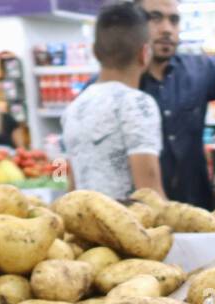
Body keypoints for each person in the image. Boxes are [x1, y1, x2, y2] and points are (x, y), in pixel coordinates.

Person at [137, 0, 215, 209]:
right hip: (137, 217)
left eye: (174, 20)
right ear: (133, 23)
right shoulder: (115, 85)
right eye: (155, 18)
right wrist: (59, 187)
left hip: (196, 207)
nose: (167, 29)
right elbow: (67, 156)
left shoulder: (198, 69)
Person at [60, 2, 164, 200]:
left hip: (85, 225)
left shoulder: (72, 109)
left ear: (94, 52)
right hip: (128, 226)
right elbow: (150, 194)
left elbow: (66, 181)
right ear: (145, 53)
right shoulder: (138, 104)